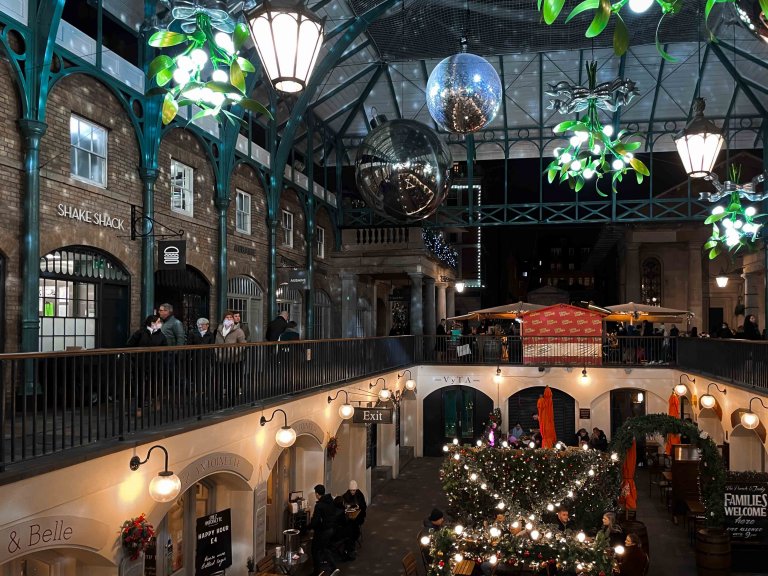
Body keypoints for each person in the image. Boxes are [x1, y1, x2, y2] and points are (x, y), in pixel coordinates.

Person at [126, 315, 167, 416]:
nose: (160, 324)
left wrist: (159, 358)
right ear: (152, 323)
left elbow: (165, 349)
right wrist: (135, 358)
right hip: (140, 363)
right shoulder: (140, 333)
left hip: (155, 363)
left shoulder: (161, 335)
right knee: (140, 384)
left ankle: (155, 400)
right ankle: (139, 407)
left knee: (155, 382)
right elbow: (129, 345)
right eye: (158, 322)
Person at [215, 310, 247, 406]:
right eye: (227, 317)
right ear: (223, 319)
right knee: (220, 381)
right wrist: (217, 354)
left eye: (231, 317)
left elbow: (243, 345)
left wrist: (234, 353)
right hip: (221, 360)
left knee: (232, 381)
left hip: (234, 361)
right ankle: (220, 401)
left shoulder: (238, 331)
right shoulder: (219, 330)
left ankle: (232, 401)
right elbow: (216, 344)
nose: (229, 319)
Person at [309, 484, 338, 576]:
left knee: (315, 550)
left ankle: (317, 571)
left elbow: (315, 521)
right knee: (324, 549)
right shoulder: (330, 501)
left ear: (317, 494)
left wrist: (308, 527)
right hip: (331, 529)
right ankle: (332, 568)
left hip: (322, 531)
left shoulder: (319, 506)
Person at [342, 480, 367, 545]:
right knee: (347, 522)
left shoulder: (360, 495)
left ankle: (352, 539)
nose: (352, 492)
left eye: (354, 490)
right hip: (349, 515)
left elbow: (364, 506)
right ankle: (349, 538)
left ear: (356, 490)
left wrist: (359, 506)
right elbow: (343, 501)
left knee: (353, 524)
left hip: (359, 515)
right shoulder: (346, 494)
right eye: (351, 490)